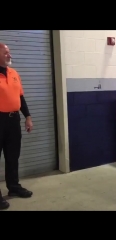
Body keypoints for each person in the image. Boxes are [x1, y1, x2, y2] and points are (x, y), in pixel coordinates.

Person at [0, 43, 34, 210]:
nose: (9, 55)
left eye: (9, 52)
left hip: (13, 121)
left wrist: (27, 116)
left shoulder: (14, 73)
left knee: (13, 157)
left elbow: (20, 98)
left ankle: (13, 187)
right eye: (6, 52)